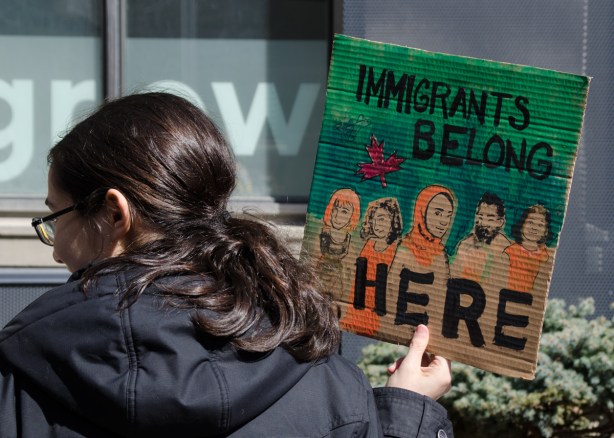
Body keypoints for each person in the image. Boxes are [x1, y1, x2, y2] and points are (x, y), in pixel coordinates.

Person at [0, 92, 453, 437]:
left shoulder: (19, 385)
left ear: (115, 214)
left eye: (55, 218)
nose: (56, 250)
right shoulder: (327, 386)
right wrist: (403, 412)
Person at [389, 185, 455, 344]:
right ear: (422, 211)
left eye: (448, 215)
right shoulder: (404, 250)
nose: (443, 222)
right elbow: (390, 291)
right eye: (437, 213)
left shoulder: (441, 257)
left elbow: (443, 299)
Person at [340, 197, 403, 337]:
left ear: (393, 221)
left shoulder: (397, 248)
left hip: (381, 318)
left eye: (382, 219)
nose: (378, 224)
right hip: (360, 315)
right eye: (375, 219)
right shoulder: (368, 245)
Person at [451, 192, 511, 285]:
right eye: (480, 217)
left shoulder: (505, 249)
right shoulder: (465, 244)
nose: (483, 223)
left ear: (500, 222)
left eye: (490, 219)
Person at [318, 188, 361, 301]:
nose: (337, 216)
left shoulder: (350, 245)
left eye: (344, 212)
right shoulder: (322, 236)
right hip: (319, 282)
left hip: (338, 286)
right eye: (335, 209)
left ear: (353, 216)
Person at [505, 204, 553, 293]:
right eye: (530, 222)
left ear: (545, 232)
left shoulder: (544, 257)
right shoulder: (510, 251)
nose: (534, 228)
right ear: (522, 225)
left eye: (540, 225)